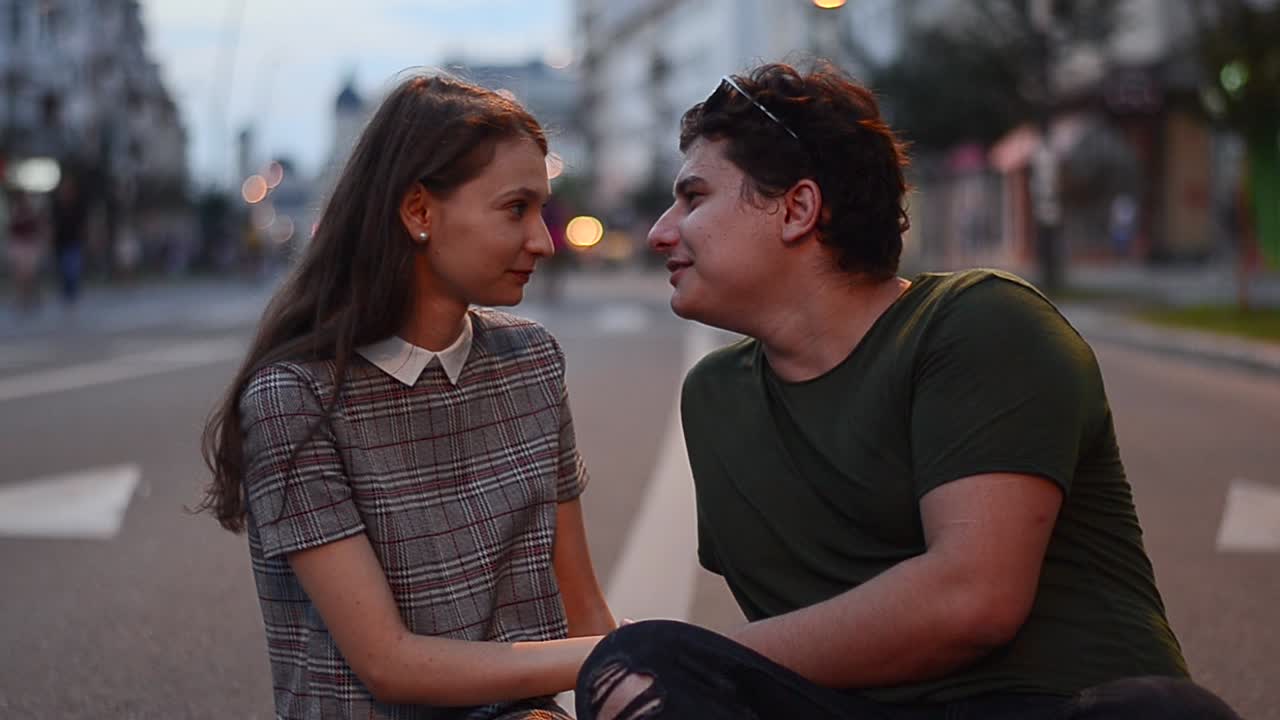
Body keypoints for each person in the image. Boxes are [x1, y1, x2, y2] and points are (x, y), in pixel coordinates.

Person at [575, 62, 1241, 720]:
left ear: (797, 208)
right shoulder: (715, 397)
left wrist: (719, 661)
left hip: (1057, 703)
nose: (660, 231)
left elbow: (973, 602)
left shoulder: (978, 321)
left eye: (693, 198)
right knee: (639, 666)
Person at [199, 73, 615, 719]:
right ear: (419, 211)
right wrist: (628, 655)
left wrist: (636, 677)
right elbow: (390, 665)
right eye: (516, 209)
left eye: (542, 210)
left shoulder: (531, 360)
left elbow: (583, 606)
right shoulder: (293, 400)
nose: (542, 239)